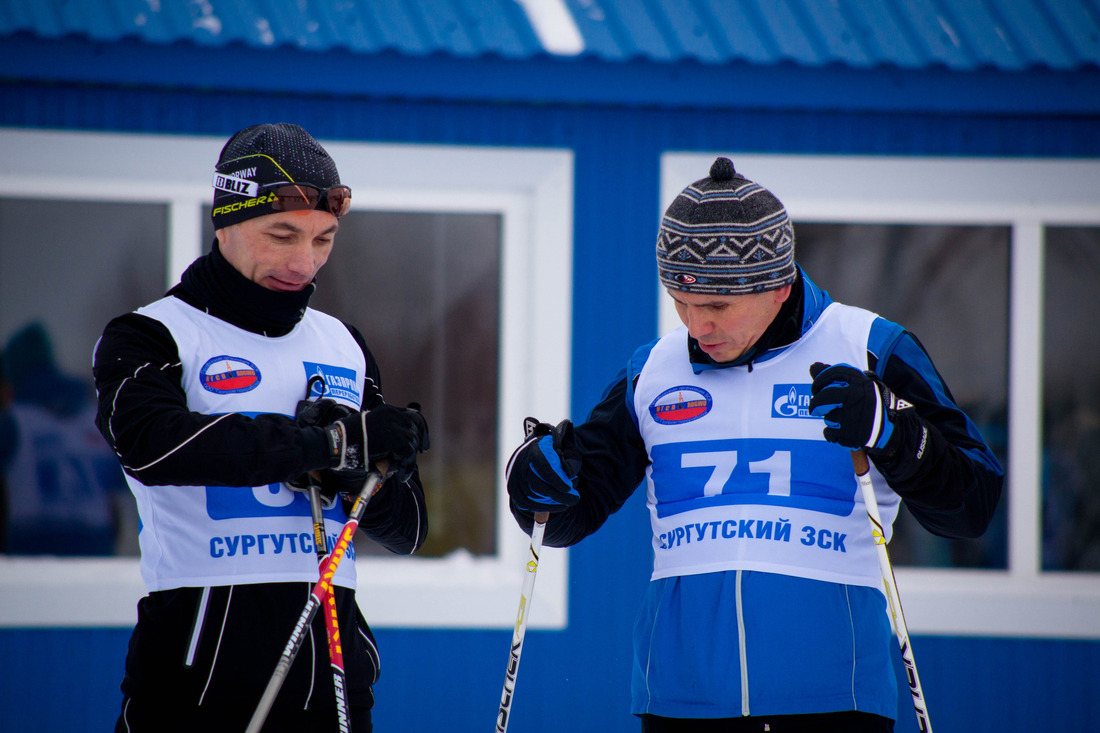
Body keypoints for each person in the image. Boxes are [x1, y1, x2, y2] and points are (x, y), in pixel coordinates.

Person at [505, 157, 1003, 732]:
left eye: (716, 306)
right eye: (681, 302)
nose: (697, 326)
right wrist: (533, 481)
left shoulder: (868, 346)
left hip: (832, 702)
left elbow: (974, 503)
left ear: (778, 286)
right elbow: (567, 511)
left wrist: (891, 429)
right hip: (682, 705)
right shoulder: (654, 371)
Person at [92, 123, 430, 732]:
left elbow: (407, 529)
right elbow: (151, 447)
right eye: (282, 235)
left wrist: (362, 470)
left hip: (330, 674)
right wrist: (321, 444)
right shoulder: (154, 334)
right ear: (225, 223)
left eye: (324, 239)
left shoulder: (342, 344)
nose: (304, 262)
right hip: (199, 672)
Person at [0, 322, 126, 555]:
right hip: (95, 545)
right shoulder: (94, 417)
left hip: (33, 545)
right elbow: (126, 478)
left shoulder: (14, 422)